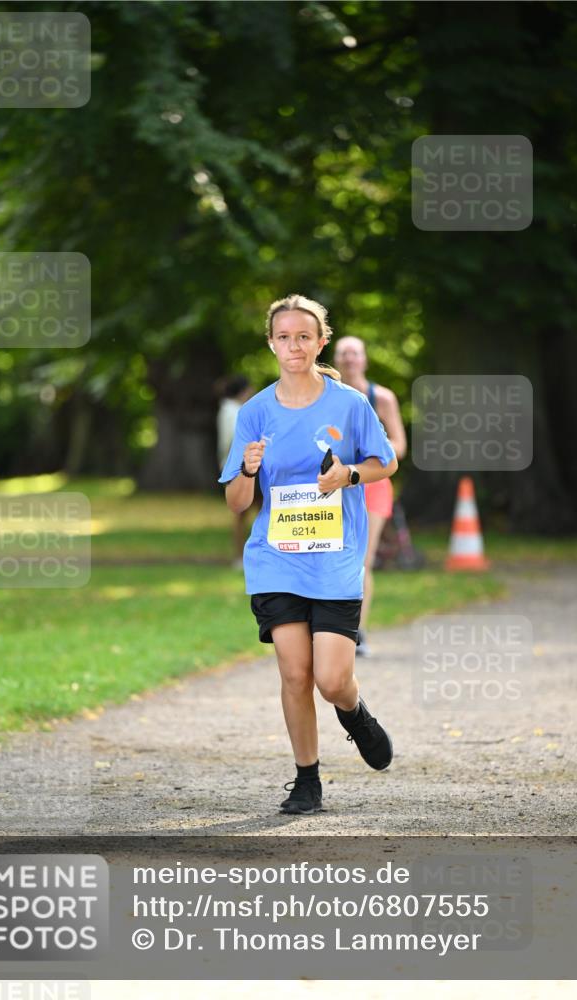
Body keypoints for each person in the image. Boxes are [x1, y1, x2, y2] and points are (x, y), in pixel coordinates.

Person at [218, 294, 398, 815]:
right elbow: (235, 502)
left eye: (304, 336)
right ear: (270, 343)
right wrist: (249, 469)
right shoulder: (255, 413)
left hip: (336, 555)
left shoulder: (349, 404)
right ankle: (306, 780)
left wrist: (349, 474)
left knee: (330, 679)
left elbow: (384, 463)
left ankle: (355, 713)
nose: (293, 345)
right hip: (276, 558)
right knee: (294, 674)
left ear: (321, 342)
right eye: (283, 337)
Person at [333, 336, 407, 657]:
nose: (350, 359)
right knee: (333, 556)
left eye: (355, 353)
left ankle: (357, 631)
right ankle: (332, 630)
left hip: (373, 485)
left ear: (364, 359)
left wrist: (370, 455)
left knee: (362, 560)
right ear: (336, 360)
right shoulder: (327, 397)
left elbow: (400, 446)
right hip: (336, 485)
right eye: (344, 354)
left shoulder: (382, 398)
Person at [217, 375, 253, 567]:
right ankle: (240, 556)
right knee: (241, 514)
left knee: (242, 515)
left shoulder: (228, 409)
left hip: (236, 466)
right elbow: (234, 440)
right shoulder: (233, 411)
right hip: (240, 469)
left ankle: (241, 556)